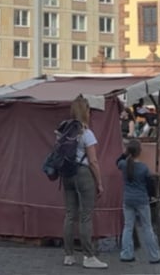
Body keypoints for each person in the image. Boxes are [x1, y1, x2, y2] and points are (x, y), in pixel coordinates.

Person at [61, 96, 108, 269]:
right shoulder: (87, 133)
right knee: (86, 216)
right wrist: (99, 182)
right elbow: (93, 161)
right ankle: (88, 256)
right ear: (86, 111)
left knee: (69, 214)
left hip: (67, 173)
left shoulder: (64, 130)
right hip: (83, 173)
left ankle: (68, 255)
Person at [117, 138, 160, 265]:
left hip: (128, 199)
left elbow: (117, 161)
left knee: (128, 227)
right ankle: (154, 256)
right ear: (140, 152)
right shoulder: (143, 168)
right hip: (141, 199)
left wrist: (125, 153)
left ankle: (126, 254)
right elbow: (149, 184)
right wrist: (151, 195)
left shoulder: (123, 165)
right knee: (147, 227)